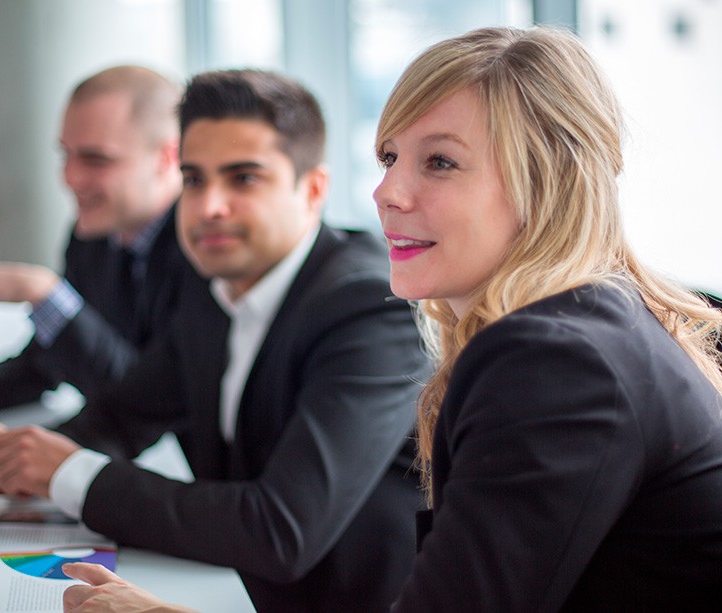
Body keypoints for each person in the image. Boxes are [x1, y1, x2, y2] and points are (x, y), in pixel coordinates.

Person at [55, 25, 722, 613]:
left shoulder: (554, 357)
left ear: (544, 184)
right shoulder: (586, 325)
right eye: (388, 157)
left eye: (439, 162)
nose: (386, 193)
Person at [0, 69, 429, 612]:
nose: (209, 205)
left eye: (243, 179)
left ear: (313, 190)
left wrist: (67, 472)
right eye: (193, 178)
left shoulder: (370, 307)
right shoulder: (216, 291)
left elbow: (280, 531)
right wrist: (20, 459)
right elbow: (119, 417)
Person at [0, 65, 188, 416]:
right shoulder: (94, 238)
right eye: (66, 154)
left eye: (96, 159)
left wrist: (45, 294)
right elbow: (44, 364)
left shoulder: (202, 248)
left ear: (166, 158)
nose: (70, 178)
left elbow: (148, 404)